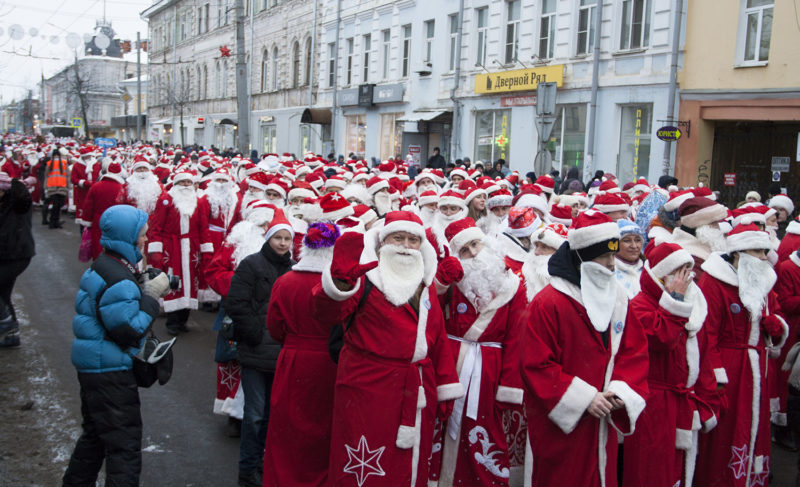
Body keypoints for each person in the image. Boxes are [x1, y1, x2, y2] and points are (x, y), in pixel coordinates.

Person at [312, 211, 463, 486]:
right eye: (398, 238)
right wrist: (340, 283)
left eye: (413, 240)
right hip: (367, 389)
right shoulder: (365, 278)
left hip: (417, 389)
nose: (406, 246)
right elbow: (325, 313)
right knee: (365, 468)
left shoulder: (426, 283)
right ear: (383, 242)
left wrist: (445, 386)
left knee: (409, 465)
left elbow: (437, 338)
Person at [521, 209, 649, 487]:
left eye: (613, 257)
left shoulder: (618, 297)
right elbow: (536, 365)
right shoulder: (548, 302)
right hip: (563, 427)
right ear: (583, 258)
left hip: (603, 421)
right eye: (604, 258)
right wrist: (583, 398)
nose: (611, 265)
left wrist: (619, 391)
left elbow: (633, 351)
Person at [62, 204, 171, 487]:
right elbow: (128, 329)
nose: (146, 240)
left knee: (95, 438)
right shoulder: (117, 276)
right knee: (124, 448)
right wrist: (150, 296)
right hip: (109, 371)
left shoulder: (106, 264)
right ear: (128, 236)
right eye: (142, 235)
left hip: (94, 365)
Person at [431, 218, 525, 487]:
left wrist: (509, 386)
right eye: (464, 250)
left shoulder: (513, 285)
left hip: (489, 372)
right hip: (451, 366)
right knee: (443, 428)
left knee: (485, 431)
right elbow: (431, 315)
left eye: (475, 245)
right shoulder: (450, 281)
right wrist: (440, 284)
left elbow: (516, 338)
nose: (473, 253)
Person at [694, 224, 789, 487]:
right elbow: (706, 334)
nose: (763, 257)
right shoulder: (714, 281)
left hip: (757, 367)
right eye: (758, 251)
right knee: (728, 431)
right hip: (729, 370)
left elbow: (776, 312)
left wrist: (777, 326)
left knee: (755, 427)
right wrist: (716, 377)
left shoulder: (764, 279)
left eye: (764, 251)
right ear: (739, 252)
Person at [622, 241, 720, 487]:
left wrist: (709, 402)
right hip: (653, 406)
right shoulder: (640, 305)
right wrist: (675, 299)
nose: (687, 279)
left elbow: (704, 354)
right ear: (662, 276)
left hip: (683, 404)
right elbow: (661, 338)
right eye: (680, 272)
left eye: (689, 270)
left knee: (679, 471)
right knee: (651, 472)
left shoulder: (695, 306)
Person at [263, 222, 341, 487]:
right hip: (330, 363)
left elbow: (274, 327)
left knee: (288, 429)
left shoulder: (285, 281)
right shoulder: (341, 286)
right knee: (325, 431)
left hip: (294, 359)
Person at [226, 209, 295, 487]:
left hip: (280, 352)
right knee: (254, 415)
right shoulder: (251, 265)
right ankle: (247, 470)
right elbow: (237, 303)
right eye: (277, 238)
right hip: (255, 352)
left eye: (287, 239)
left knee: (272, 416)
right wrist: (254, 334)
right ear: (268, 239)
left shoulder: (293, 269)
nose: (282, 243)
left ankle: (266, 465)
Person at [147, 169, 214, 335]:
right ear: (175, 184)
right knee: (173, 283)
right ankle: (172, 322)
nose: (186, 185)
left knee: (191, 284)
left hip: (192, 249)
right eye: (182, 182)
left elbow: (203, 227)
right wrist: (156, 250)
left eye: (189, 182)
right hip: (172, 247)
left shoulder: (198, 202)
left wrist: (206, 249)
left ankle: (183, 319)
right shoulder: (166, 201)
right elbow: (156, 227)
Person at [0, 172, 34, 348]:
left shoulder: (18, 202)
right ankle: (12, 335)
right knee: (4, 294)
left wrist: (18, 185)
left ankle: (6, 325)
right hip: (7, 254)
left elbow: (23, 199)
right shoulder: (6, 201)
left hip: (16, 254)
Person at [44, 148, 70, 229]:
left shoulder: (49, 163)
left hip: (52, 187)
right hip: (62, 187)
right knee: (58, 206)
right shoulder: (64, 163)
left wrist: (45, 188)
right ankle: (55, 222)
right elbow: (68, 176)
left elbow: (46, 176)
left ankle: (53, 222)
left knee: (55, 206)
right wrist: (68, 187)